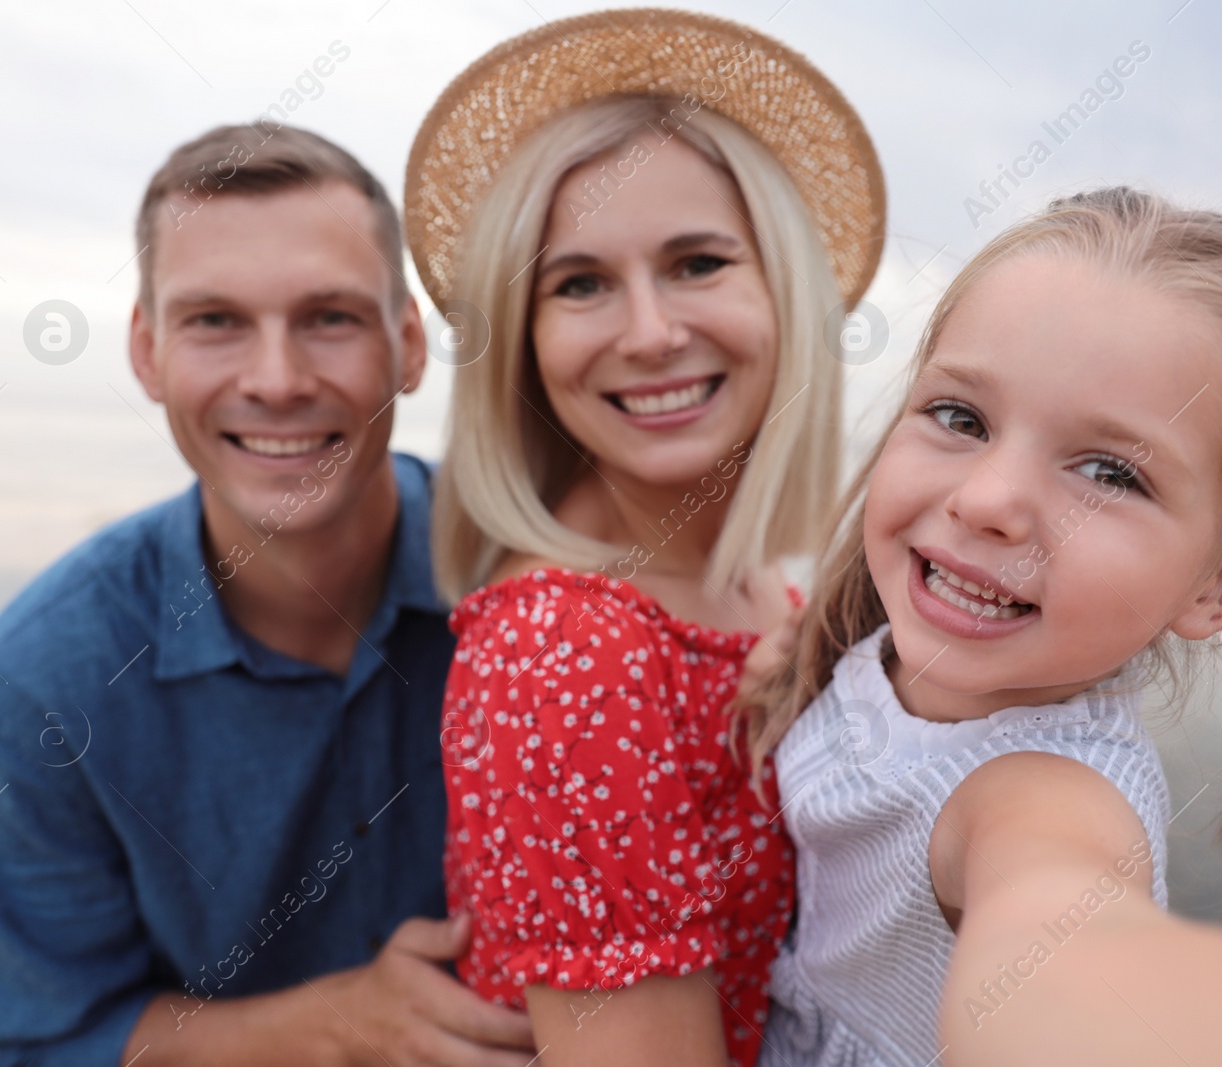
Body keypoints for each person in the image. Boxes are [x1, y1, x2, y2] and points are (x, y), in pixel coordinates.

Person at [741, 186, 1222, 1066]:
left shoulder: (1041, 795)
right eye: (961, 417)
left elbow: (1069, 934)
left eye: (1111, 473)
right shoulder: (873, 650)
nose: (989, 499)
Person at [0, 124, 535, 1066]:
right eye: (215, 320)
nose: (276, 380)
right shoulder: (42, 686)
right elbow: (49, 1039)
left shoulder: (551, 583)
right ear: (147, 351)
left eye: (330, 317)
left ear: (411, 345)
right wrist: (337, 1026)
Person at [400, 9, 884, 1066]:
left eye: (698, 262)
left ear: (783, 291)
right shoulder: (564, 648)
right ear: (523, 346)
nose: (650, 331)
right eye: (579, 284)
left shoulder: (762, 591)